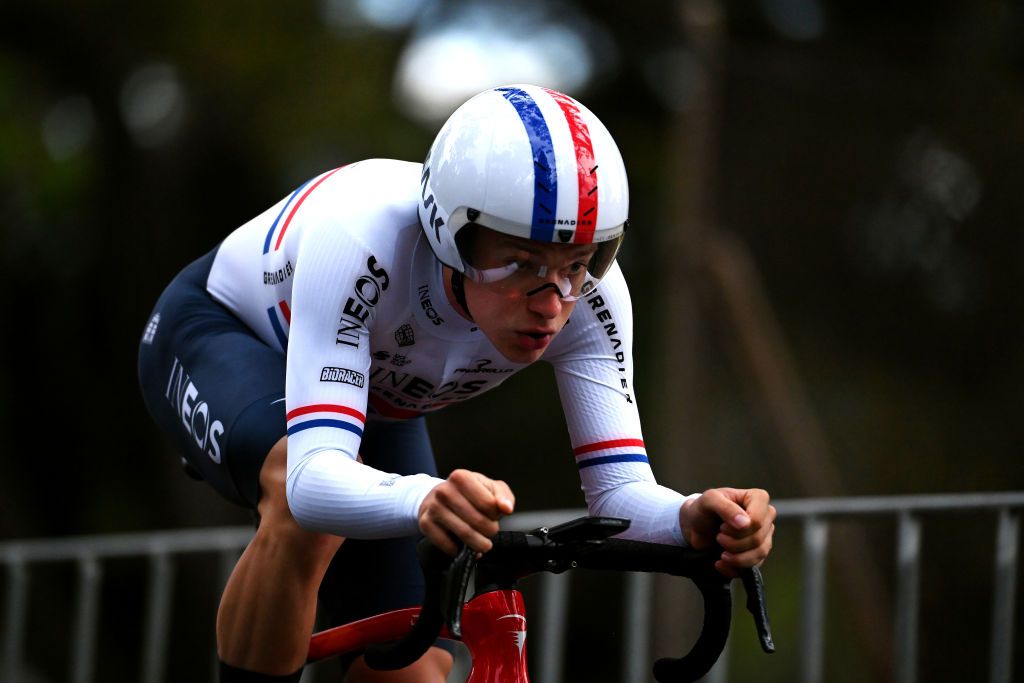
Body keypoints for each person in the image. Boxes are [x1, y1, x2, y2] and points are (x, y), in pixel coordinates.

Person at [137, 84, 776, 682]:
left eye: (577, 264)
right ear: (451, 236)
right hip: (223, 338)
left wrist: (688, 517)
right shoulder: (362, 235)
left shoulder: (595, 299)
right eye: (520, 263)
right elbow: (311, 480)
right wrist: (424, 499)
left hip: (377, 409)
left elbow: (619, 496)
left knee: (414, 671)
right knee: (300, 508)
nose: (552, 301)